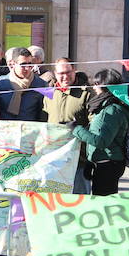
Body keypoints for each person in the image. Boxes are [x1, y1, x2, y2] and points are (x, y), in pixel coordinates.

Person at [69, 68, 129, 196]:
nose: (94, 87)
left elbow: (101, 141)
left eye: (97, 84)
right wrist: (91, 161)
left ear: (105, 86)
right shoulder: (106, 107)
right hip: (104, 163)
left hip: (109, 165)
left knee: (104, 204)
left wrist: (76, 129)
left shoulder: (112, 110)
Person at [43, 58, 91, 193]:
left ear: (74, 70)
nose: (64, 77)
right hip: (54, 155)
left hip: (78, 157)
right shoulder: (49, 92)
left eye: (68, 72)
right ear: (55, 73)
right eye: (60, 73)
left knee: (80, 198)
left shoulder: (86, 93)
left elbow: (93, 125)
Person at [0, 47, 48, 121]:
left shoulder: (40, 84)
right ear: (13, 64)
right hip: (5, 128)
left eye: (30, 64)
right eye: (23, 65)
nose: (27, 68)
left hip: (30, 129)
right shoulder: (1, 82)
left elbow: (44, 112)